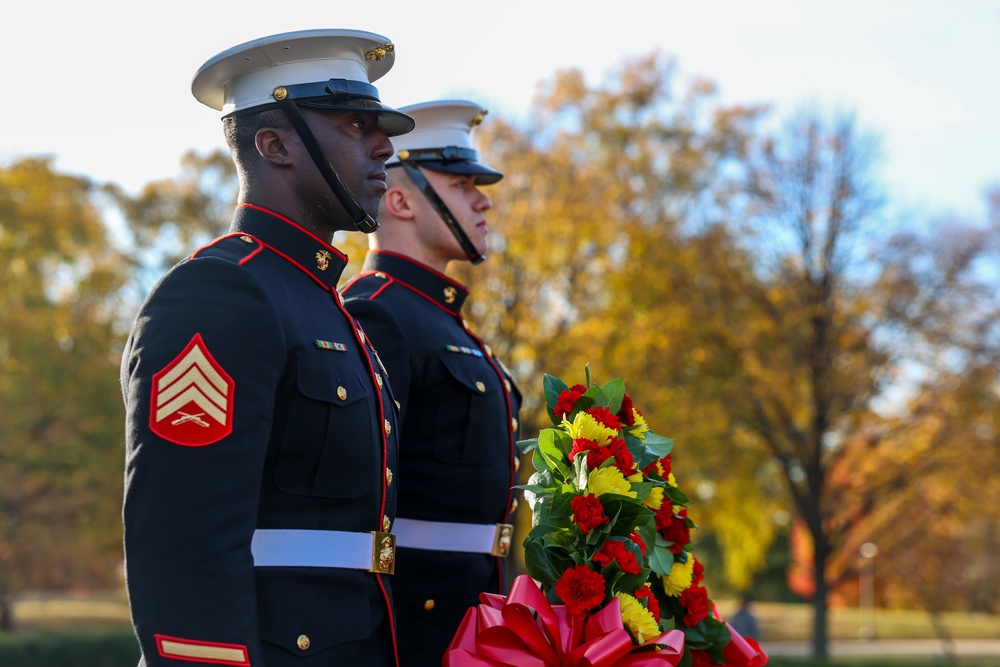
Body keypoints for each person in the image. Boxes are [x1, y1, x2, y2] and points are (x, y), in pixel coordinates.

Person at [120, 29, 415, 666]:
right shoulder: (220, 291)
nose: (384, 146)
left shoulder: (330, 305)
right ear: (274, 144)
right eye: (354, 124)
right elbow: (183, 544)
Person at [341, 99, 521, 666]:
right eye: (461, 183)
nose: (482, 198)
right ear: (400, 200)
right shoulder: (378, 313)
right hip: (415, 624)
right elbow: (358, 494)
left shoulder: (446, 321)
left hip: (473, 607)